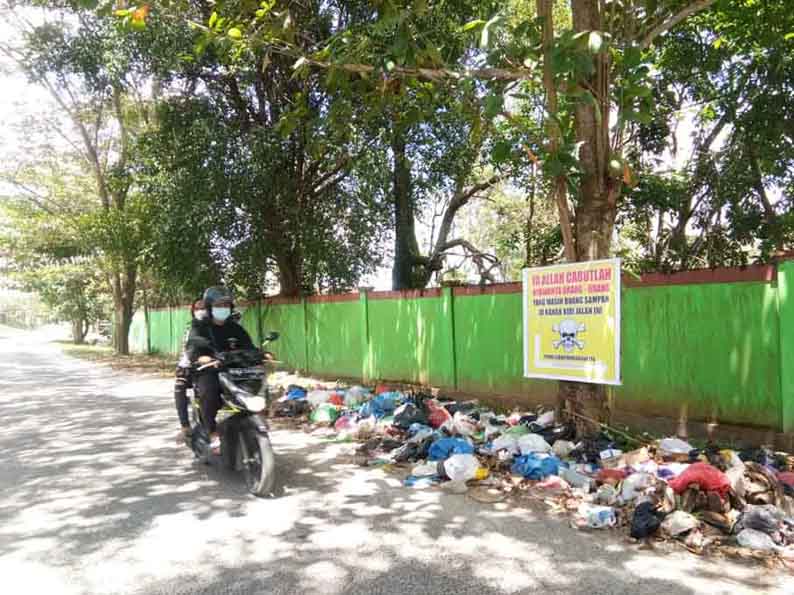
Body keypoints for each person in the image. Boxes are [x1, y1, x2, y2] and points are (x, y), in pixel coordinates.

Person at [186, 286, 257, 455]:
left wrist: (259, 354)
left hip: (234, 371)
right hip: (210, 370)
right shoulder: (200, 326)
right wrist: (202, 357)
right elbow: (193, 346)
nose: (223, 308)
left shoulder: (235, 328)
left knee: (255, 383)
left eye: (226, 305)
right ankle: (212, 432)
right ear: (210, 306)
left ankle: (251, 422)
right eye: (219, 305)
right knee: (209, 390)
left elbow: (249, 347)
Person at [174, 299, 208, 441]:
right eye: (198, 308)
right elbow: (188, 351)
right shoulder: (192, 328)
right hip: (192, 365)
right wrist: (187, 364)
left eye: (204, 307)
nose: (201, 310)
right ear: (193, 311)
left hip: (217, 365)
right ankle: (185, 426)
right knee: (180, 386)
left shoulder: (219, 325)